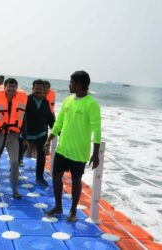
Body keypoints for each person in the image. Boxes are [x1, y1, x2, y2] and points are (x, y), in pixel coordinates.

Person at [44, 70, 101, 222]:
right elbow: (59, 123)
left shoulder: (91, 104)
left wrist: (95, 154)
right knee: (56, 176)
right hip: (63, 148)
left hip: (79, 151)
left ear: (79, 84)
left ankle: (73, 211)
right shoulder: (68, 100)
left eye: (71, 82)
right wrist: (49, 139)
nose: (69, 85)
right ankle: (58, 206)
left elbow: (97, 130)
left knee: (76, 180)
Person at [0, 78, 28, 199]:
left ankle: (15, 190)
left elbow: (24, 120)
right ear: (5, 87)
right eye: (9, 86)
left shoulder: (20, 101)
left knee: (14, 162)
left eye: (14, 87)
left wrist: (25, 137)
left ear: (16, 88)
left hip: (13, 136)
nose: (11, 89)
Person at [25, 79, 55, 186]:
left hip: (41, 134)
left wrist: (57, 131)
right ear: (32, 88)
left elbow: (50, 119)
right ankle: (13, 171)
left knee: (41, 157)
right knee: (19, 153)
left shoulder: (46, 102)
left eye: (41, 89)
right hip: (27, 133)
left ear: (44, 90)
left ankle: (39, 177)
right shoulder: (26, 100)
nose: (39, 90)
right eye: (36, 88)